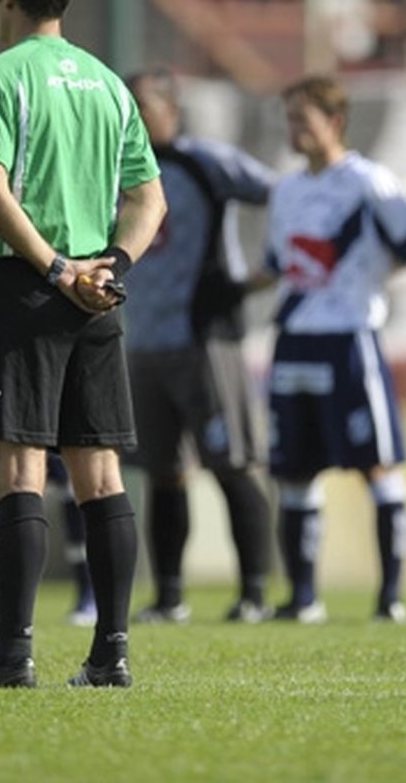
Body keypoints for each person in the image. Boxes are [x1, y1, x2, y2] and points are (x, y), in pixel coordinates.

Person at [0, 0, 166, 690]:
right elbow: (148, 197)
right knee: (101, 474)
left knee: (19, 468)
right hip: (100, 292)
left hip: (26, 288)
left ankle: (11, 657)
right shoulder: (107, 83)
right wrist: (111, 268)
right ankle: (112, 654)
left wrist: (59, 269)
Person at [251, 75, 406, 624]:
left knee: (376, 464)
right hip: (296, 335)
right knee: (295, 471)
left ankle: (389, 598)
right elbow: (281, 265)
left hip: (350, 337)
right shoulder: (289, 189)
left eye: (305, 118)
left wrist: (370, 278)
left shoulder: (370, 183)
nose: (295, 129)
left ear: (336, 121)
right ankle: (303, 598)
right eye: (290, 119)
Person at [121, 67, 276, 625]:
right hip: (144, 342)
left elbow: (284, 195)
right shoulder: (115, 170)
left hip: (207, 340)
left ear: (171, 108)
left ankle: (255, 593)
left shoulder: (205, 162)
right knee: (163, 472)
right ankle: (168, 597)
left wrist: (266, 270)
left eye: (140, 104)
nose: (132, 116)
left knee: (232, 464)